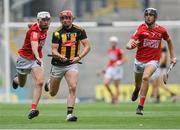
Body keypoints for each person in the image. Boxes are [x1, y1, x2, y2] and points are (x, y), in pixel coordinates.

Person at [126, 8, 176, 115]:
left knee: (146, 77)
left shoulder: (162, 30)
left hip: (153, 61)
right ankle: (136, 90)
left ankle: (140, 106)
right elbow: (130, 43)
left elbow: (169, 41)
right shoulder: (141, 28)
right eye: (146, 14)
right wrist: (130, 46)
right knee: (138, 84)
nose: (148, 16)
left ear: (155, 17)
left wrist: (172, 57)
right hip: (139, 61)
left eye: (151, 15)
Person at [44, 10, 90, 121]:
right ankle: (50, 82)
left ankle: (69, 114)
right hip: (58, 65)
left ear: (72, 19)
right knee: (53, 93)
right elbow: (54, 50)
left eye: (67, 18)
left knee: (73, 87)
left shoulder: (80, 31)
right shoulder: (57, 33)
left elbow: (87, 46)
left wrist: (78, 57)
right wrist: (60, 56)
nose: (65, 20)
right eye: (63, 18)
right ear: (60, 20)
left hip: (71, 64)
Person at [12, 11, 51, 119]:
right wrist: (38, 57)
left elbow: (31, 25)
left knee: (40, 82)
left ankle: (33, 109)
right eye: (44, 20)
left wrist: (37, 59)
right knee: (21, 84)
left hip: (35, 60)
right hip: (25, 59)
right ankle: (16, 80)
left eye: (48, 19)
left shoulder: (44, 26)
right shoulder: (34, 32)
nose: (46, 22)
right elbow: (34, 46)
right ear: (39, 21)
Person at [103, 36, 127, 104]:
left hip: (118, 69)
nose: (113, 43)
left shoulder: (119, 50)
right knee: (106, 83)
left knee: (116, 85)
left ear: (116, 43)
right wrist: (105, 68)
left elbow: (124, 59)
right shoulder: (109, 50)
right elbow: (110, 60)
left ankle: (116, 100)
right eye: (112, 42)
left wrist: (118, 62)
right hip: (110, 68)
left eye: (114, 42)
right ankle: (112, 96)